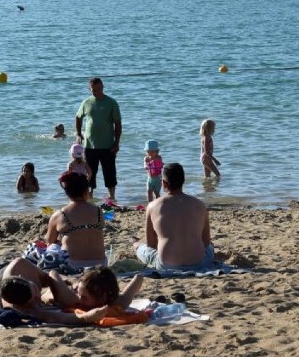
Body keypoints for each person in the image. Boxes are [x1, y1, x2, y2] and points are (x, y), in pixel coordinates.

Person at [0, 258, 109, 325]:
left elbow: (49, 277)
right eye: (35, 298)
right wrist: (88, 317)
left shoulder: (21, 265)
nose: (38, 296)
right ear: (22, 304)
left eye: (36, 290)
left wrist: (72, 281)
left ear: (24, 279)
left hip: (6, 276)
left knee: (51, 281)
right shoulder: (19, 308)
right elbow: (55, 317)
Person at [133, 163, 215, 270]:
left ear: (164, 183)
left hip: (166, 264)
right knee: (211, 246)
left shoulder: (153, 206)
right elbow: (206, 242)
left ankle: (134, 243)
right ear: (183, 181)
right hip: (199, 263)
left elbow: (151, 245)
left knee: (139, 247)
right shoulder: (199, 205)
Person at [75, 77, 122, 205]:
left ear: (103, 87)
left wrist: (116, 142)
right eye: (93, 90)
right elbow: (78, 117)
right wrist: (79, 134)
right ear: (89, 89)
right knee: (90, 173)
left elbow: (118, 123)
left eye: (98, 89)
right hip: (90, 145)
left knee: (110, 172)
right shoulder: (86, 102)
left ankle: (112, 197)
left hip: (108, 145)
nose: (96, 92)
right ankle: (89, 197)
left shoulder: (111, 102)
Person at [46, 171, 105, 267]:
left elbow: (49, 241)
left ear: (67, 192)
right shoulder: (98, 211)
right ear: (86, 190)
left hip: (72, 265)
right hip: (100, 264)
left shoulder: (60, 215)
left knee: (52, 246)